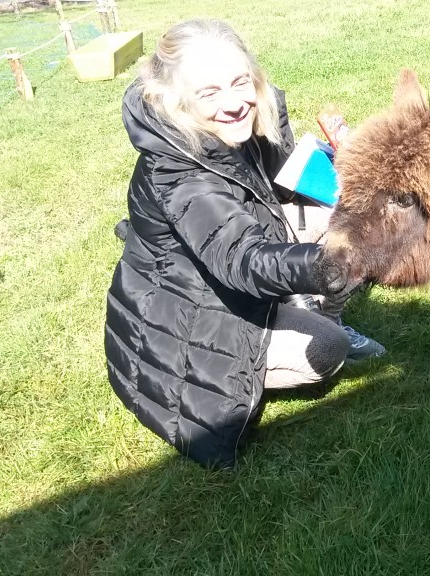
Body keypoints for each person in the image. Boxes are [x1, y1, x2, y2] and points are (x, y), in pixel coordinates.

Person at [104, 18, 383, 469]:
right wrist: (342, 261)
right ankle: (311, 323)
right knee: (327, 348)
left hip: (215, 284)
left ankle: (308, 308)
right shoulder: (178, 171)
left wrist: (347, 165)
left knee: (345, 221)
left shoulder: (243, 125)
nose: (234, 103)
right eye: (209, 92)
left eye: (240, 82)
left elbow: (283, 185)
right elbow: (243, 260)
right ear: (177, 101)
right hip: (189, 330)